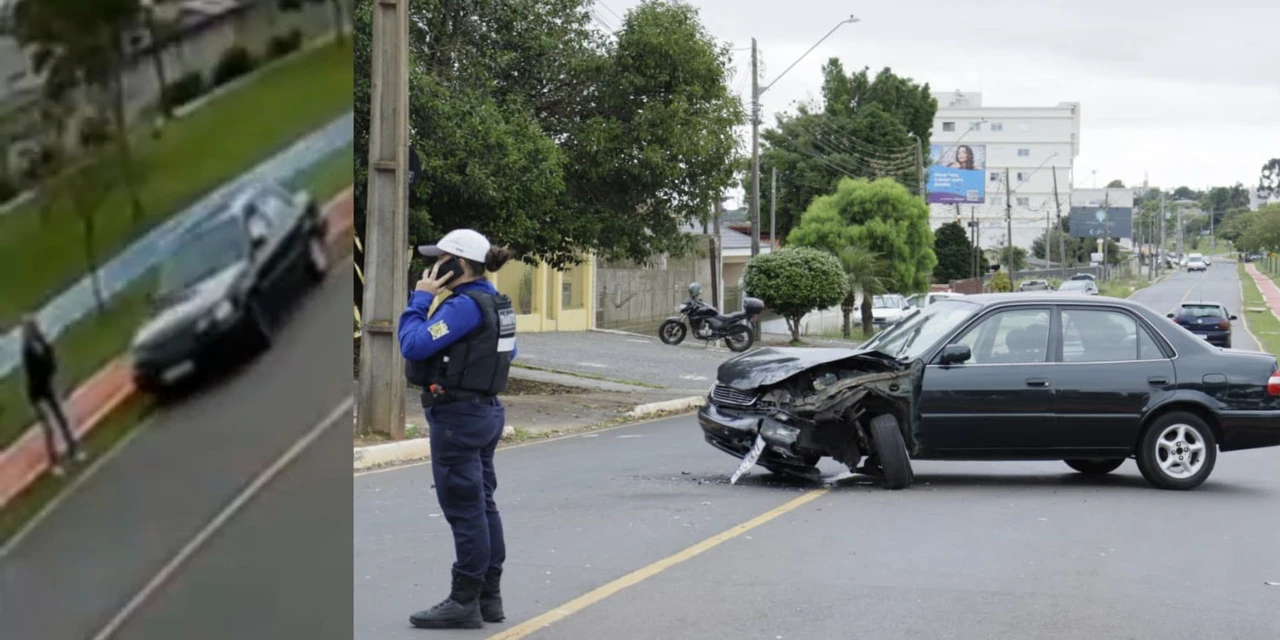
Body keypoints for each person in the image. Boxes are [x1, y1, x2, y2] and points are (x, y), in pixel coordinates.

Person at [397, 229, 517, 630]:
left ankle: (464, 600)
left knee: (465, 510)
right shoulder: (497, 303)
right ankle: (489, 598)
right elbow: (506, 352)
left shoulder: (464, 306)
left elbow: (413, 345)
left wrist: (421, 299)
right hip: (485, 412)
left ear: (457, 265)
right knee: (483, 504)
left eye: (441, 259)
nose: (433, 266)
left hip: (458, 418)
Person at [20, 314, 85, 477]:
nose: (33, 330)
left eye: (33, 326)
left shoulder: (42, 342)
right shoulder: (27, 350)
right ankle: (54, 462)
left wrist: (49, 353)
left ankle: (73, 449)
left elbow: (52, 364)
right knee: (48, 428)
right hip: (36, 392)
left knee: (62, 418)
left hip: (46, 387)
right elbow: (36, 372)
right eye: (29, 328)